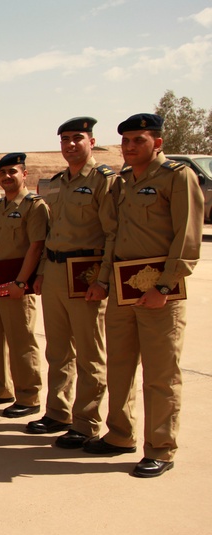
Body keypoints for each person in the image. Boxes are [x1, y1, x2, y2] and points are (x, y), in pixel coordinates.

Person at [85, 113, 203, 478]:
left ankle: (161, 448)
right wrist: (103, 280)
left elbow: (186, 238)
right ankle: (120, 435)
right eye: (126, 141)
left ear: (158, 143)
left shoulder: (177, 177)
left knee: (160, 374)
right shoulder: (122, 183)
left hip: (158, 290)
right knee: (119, 366)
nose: (131, 146)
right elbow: (112, 237)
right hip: (122, 284)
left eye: (138, 139)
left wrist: (164, 287)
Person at [28, 117, 114, 446]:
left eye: (77, 138)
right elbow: (52, 235)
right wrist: (41, 273)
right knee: (59, 350)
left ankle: (86, 422)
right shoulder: (59, 182)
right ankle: (57, 411)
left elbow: (112, 234)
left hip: (86, 273)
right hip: (55, 274)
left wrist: (103, 280)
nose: (70, 144)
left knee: (90, 353)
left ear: (92, 141)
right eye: (65, 139)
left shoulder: (103, 181)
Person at [0, 153, 46, 417]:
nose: (6, 177)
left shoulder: (34, 206)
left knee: (21, 340)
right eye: (2, 173)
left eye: (12, 172)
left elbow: (36, 246)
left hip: (17, 280)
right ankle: (2, 387)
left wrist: (21, 282)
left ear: (24, 174)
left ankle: (29, 396)